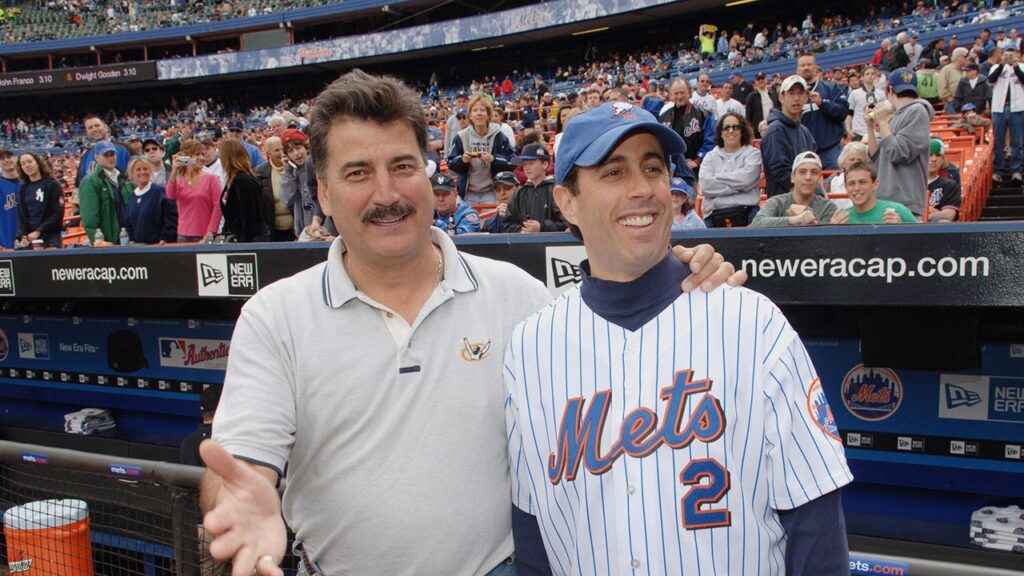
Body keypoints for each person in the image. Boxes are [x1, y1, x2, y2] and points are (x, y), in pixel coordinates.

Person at [198, 70, 742, 576]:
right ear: (322, 191)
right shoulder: (275, 316)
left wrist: (683, 272)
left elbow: (627, 373)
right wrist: (237, 501)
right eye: (358, 173)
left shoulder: (519, 297)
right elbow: (238, 467)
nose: (386, 194)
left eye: (403, 166)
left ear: (427, 170)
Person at [508, 100, 852, 576]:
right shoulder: (529, 347)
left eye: (653, 168)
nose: (642, 188)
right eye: (614, 172)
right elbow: (533, 535)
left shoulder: (752, 323)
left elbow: (816, 524)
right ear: (567, 202)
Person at [866, 68, 933, 217]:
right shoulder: (896, 115)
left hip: (905, 203)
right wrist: (870, 128)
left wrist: (882, 121)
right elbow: (877, 160)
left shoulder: (917, 111)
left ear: (889, 89)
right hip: (885, 202)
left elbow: (898, 153)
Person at [448, 94, 515, 205]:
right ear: (470, 115)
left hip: (492, 190)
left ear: (488, 115)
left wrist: (494, 159)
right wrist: (462, 160)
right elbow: (450, 162)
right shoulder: (461, 136)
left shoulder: (499, 135)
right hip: (467, 192)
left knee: (495, 215)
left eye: (482, 110)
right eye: (475, 110)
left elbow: (512, 161)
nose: (479, 113)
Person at [698, 112, 763, 227]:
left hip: (748, 214)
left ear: (742, 131)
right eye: (726, 127)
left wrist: (717, 177)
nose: (731, 131)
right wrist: (741, 186)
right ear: (720, 133)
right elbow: (706, 186)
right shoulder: (710, 157)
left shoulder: (753, 154)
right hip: (713, 216)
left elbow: (747, 180)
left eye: (736, 127)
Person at [761, 75, 817, 197]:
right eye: (791, 93)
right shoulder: (775, 130)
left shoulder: (804, 131)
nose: (796, 98)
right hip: (784, 202)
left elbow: (814, 168)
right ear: (782, 97)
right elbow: (781, 172)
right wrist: (805, 198)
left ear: (806, 97)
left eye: (800, 93)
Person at [753, 151, 838, 226]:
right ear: (792, 177)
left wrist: (811, 219)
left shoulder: (828, 207)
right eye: (802, 172)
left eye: (814, 172)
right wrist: (795, 219)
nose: (808, 177)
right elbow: (757, 223)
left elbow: (827, 235)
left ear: (819, 179)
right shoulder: (776, 202)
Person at [796, 53, 849, 169]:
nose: (806, 68)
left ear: (816, 67)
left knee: (834, 179)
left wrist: (822, 103)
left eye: (809, 64)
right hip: (803, 151)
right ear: (797, 70)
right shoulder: (793, 93)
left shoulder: (831, 87)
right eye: (802, 65)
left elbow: (843, 112)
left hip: (830, 149)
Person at [166, 139, 223, 243]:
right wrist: (174, 171)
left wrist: (211, 232)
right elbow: (170, 196)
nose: (202, 158)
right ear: (186, 158)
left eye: (202, 154)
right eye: (197, 154)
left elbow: (218, 206)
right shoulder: (179, 180)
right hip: (183, 235)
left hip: (204, 235)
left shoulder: (212, 179)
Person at [502, 143, 565, 233]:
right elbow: (507, 224)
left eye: (531, 163)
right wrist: (521, 230)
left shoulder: (556, 190)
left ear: (545, 164)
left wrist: (541, 227)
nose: (527, 167)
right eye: (524, 164)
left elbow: (566, 222)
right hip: (525, 241)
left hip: (553, 241)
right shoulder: (520, 192)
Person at [279, 128, 329, 241]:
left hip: (323, 228)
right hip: (304, 232)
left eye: (298, 148)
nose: (296, 154)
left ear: (306, 147)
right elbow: (286, 200)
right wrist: (287, 170)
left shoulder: (318, 168)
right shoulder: (292, 173)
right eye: (290, 151)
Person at [78, 141, 131, 244]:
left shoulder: (125, 177)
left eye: (112, 154)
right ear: (96, 157)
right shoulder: (90, 181)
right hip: (109, 240)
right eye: (106, 155)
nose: (110, 158)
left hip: (129, 236)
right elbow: (90, 217)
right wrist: (97, 240)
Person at [830, 161, 917, 224]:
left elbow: (921, 240)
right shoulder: (841, 220)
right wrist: (831, 232)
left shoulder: (898, 211)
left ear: (875, 184)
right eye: (851, 183)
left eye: (862, 182)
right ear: (846, 187)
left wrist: (902, 230)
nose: (857, 188)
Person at [219, 139, 271, 242]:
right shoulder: (231, 179)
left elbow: (249, 215)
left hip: (251, 239)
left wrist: (243, 242)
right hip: (236, 235)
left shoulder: (243, 181)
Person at [660, 79, 715, 173]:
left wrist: (697, 161)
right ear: (671, 95)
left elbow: (711, 141)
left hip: (695, 169)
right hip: (671, 169)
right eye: (676, 93)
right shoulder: (663, 117)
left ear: (690, 93)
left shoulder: (704, 114)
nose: (679, 96)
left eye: (682, 93)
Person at [987, 48, 1024, 182]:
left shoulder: (1021, 67)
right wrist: (1002, 65)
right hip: (999, 108)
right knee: (999, 142)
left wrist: (1016, 66)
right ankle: (998, 170)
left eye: (1011, 55)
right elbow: (991, 80)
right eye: (1007, 55)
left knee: (1017, 142)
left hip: (1017, 108)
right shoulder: (996, 67)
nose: (1009, 57)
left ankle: (1016, 170)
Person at [14, 152, 63, 248]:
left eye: (29, 161)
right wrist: (23, 235)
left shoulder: (52, 184)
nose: (27, 165)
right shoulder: (23, 188)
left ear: (37, 163)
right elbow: (21, 214)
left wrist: (39, 231)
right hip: (30, 238)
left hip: (50, 237)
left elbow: (58, 213)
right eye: (23, 164)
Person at [124, 158, 177, 244]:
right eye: (138, 169)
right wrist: (132, 239)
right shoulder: (133, 196)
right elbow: (129, 221)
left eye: (145, 169)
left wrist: (165, 238)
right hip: (138, 247)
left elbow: (171, 218)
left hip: (158, 246)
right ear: (132, 173)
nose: (142, 172)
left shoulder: (160, 192)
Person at [255, 136, 295, 241]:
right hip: (272, 228)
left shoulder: (295, 167)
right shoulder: (259, 172)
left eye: (282, 149)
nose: (281, 153)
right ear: (268, 154)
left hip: (295, 226)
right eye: (277, 150)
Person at [77, 114, 131, 183]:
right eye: (90, 128)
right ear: (87, 132)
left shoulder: (124, 148)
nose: (94, 129)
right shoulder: (85, 155)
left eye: (97, 125)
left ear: (105, 126)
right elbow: (80, 183)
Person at [430, 171, 480, 235]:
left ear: (455, 194)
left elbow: (461, 237)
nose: (441, 199)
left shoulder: (468, 214)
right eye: (436, 194)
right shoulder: (428, 212)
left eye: (445, 194)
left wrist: (435, 223)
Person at [846, 65, 886, 140]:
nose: (870, 76)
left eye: (872, 74)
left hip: (876, 131)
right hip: (859, 132)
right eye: (867, 74)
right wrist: (848, 129)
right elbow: (849, 113)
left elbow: (885, 112)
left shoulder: (881, 93)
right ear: (862, 77)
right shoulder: (855, 93)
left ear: (875, 76)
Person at [926, 139, 962, 222]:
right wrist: (938, 212)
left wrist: (923, 214)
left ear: (942, 159)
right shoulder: (910, 184)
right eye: (929, 155)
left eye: (938, 155)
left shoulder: (950, 185)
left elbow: (949, 215)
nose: (934, 159)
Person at [939, 47, 969, 114]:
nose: (967, 59)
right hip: (952, 105)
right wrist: (951, 100)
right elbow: (942, 88)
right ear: (959, 57)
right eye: (966, 57)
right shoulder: (946, 70)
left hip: (966, 103)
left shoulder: (966, 70)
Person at [0, 149, 20, 249]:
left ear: (15, 158)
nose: (6, 160)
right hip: (6, 242)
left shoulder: (28, 181)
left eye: (9, 157)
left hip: (31, 239)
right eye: (2, 158)